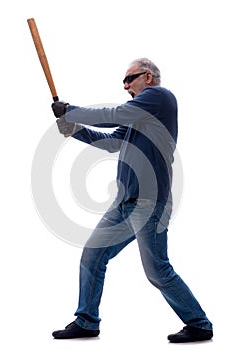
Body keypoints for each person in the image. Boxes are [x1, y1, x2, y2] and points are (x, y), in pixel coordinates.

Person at [51, 58, 213, 343]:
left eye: (129, 79)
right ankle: (86, 321)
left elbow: (116, 113)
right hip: (125, 202)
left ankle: (199, 324)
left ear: (148, 77)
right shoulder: (138, 117)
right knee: (93, 254)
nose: (125, 86)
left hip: (149, 201)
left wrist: (70, 110)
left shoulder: (159, 97)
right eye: (123, 82)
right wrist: (73, 128)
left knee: (157, 269)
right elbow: (111, 142)